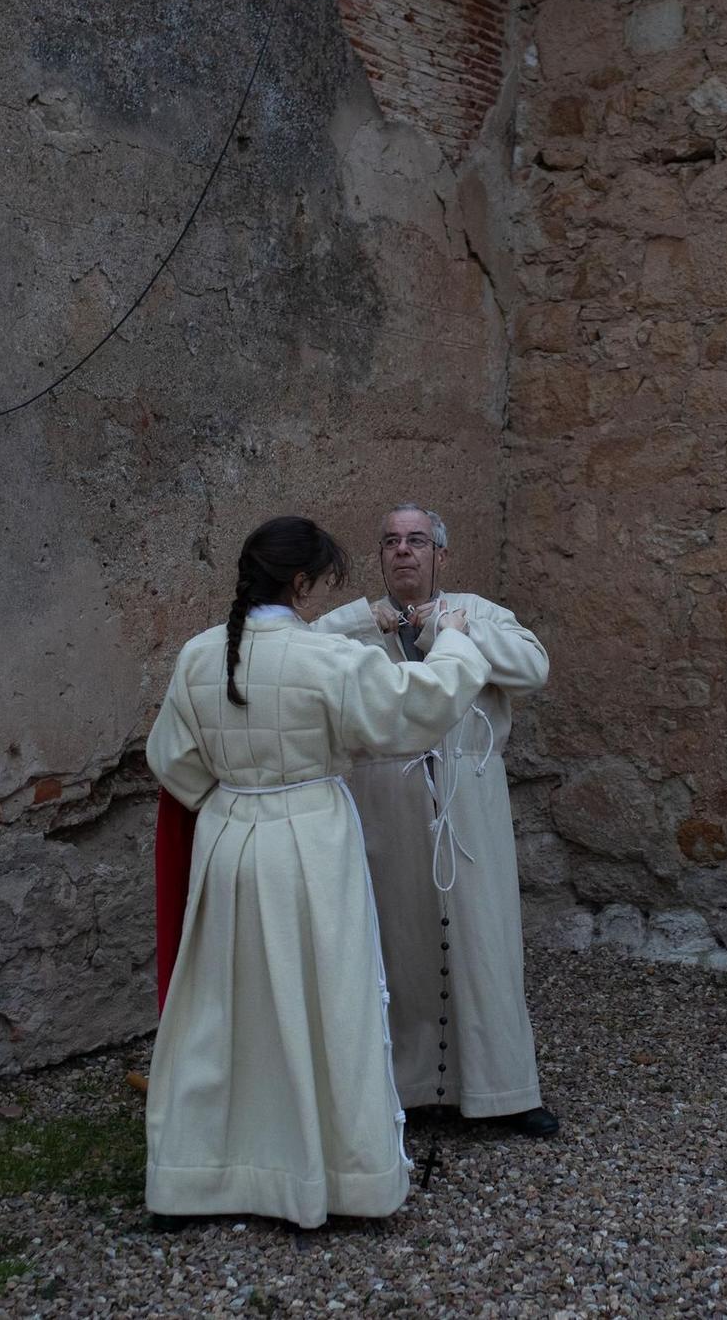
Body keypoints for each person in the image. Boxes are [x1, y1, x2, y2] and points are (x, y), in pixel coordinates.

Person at [143, 515, 491, 1228]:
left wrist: (233, 804)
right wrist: (453, 637)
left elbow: (172, 759)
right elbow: (416, 710)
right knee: (329, 1004)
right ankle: (342, 1176)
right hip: (311, 839)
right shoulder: (325, 659)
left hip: (229, 840)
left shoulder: (199, 655)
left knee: (225, 1010)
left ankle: (199, 1176)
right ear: (300, 583)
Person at [311, 504, 557, 1137]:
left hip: (468, 793)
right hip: (385, 794)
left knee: (485, 940)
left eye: (416, 540)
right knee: (401, 941)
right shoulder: (359, 624)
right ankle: (409, 1087)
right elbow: (303, 658)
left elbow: (533, 668)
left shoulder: (478, 612)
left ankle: (504, 1088)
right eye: (391, 541)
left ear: (439, 554)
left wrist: (455, 630)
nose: (403, 551)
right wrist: (360, 619)